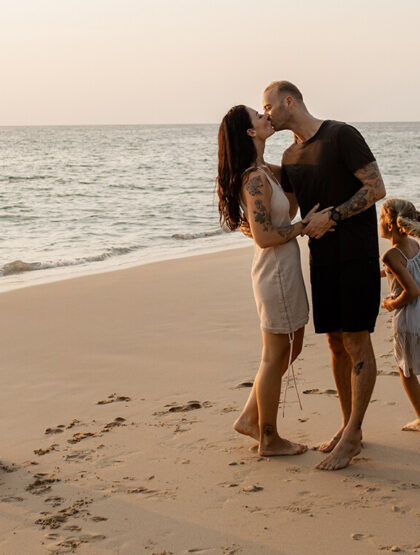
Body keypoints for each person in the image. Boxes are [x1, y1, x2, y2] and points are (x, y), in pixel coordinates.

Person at [260, 81, 386, 470]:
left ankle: (353, 435)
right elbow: (289, 207)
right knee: (334, 342)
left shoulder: (341, 135)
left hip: (357, 255)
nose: (265, 114)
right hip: (322, 259)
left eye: (268, 107)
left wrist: (332, 215)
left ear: (289, 101)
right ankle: (349, 426)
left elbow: (376, 188)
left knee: (356, 339)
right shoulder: (290, 154)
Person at [217, 105, 323, 457]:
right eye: (258, 117)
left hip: (284, 266)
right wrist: (307, 226)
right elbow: (264, 237)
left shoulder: (267, 171)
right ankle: (268, 437)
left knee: (291, 347)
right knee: (275, 355)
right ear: (250, 132)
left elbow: (287, 208)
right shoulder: (254, 178)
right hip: (274, 269)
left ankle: (250, 417)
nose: (266, 116)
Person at [380, 198, 420, 431]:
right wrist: (384, 274)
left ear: (390, 224)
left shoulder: (391, 255)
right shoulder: (414, 244)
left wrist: (392, 304)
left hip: (408, 317)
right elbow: (410, 270)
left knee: (406, 370)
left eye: (380, 219)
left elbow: (412, 291)